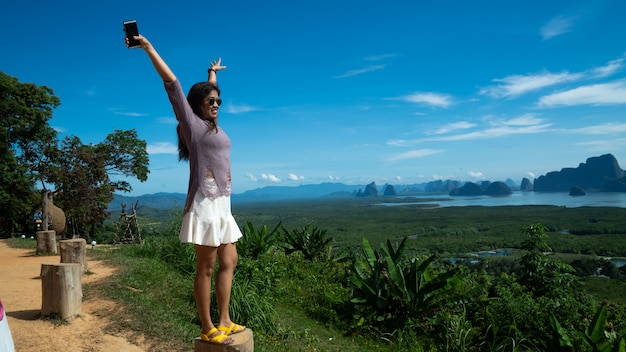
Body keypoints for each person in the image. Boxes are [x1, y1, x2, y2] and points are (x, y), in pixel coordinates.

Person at [127, 34, 245, 345]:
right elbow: (174, 85)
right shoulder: (192, 125)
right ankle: (207, 326)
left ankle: (224, 319)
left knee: (229, 261)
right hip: (205, 202)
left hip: (223, 204)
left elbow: (206, 92)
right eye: (211, 101)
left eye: (219, 100)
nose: (217, 104)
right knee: (205, 266)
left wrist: (213, 75)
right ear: (197, 106)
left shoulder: (213, 125)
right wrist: (149, 48)